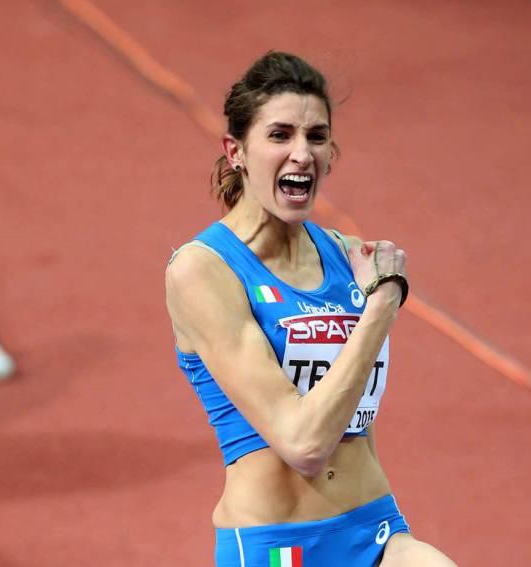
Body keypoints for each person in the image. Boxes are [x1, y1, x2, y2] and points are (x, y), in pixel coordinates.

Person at [164, 51, 456, 566]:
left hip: (376, 530)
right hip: (280, 550)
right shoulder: (204, 270)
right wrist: (381, 309)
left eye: (316, 137)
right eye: (280, 135)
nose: (302, 153)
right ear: (236, 151)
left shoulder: (348, 256)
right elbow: (302, 444)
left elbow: (350, 407)